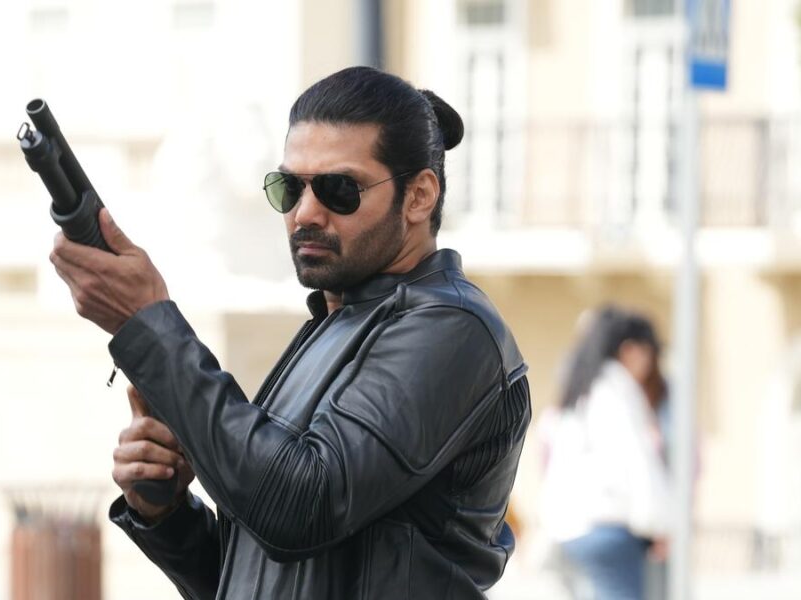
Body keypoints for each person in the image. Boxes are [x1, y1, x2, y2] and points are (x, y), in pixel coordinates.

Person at [50, 66, 531, 599]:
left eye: (339, 190)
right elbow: (262, 575)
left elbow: (301, 506)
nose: (305, 213)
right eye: (288, 187)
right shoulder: (333, 324)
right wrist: (166, 514)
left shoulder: (452, 328)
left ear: (418, 196)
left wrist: (147, 324)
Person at [539, 306, 672, 600]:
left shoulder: (580, 389)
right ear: (629, 350)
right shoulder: (617, 389)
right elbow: (638, 462)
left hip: (572, 528)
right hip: (609, 526)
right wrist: (660, 525)